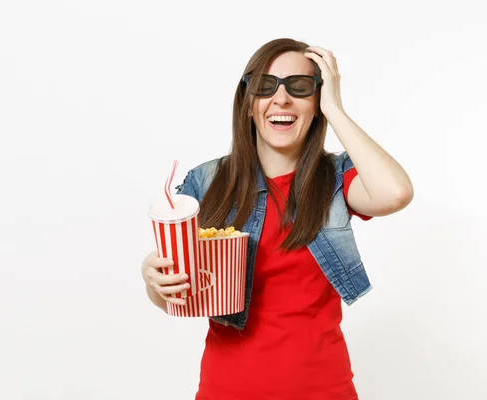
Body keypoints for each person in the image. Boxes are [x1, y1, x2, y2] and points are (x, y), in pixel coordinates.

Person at [141, 38, 414, 399]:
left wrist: (336, 109)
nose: (281, 99)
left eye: (299, 87)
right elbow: (177, 294)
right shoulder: (206, 183)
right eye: (265, 86)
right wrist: (153, 279)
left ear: (316, 102)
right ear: (249, 104)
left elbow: (395, 192)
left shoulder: (336, 179)